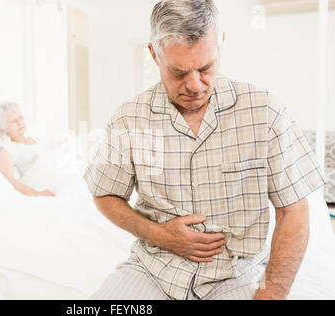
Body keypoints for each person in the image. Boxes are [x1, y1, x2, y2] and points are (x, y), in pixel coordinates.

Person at [83, 0, 325, 300]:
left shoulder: (265, 111)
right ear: (153, 54)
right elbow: (105, 193)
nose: (195, 85)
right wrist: (161, 236)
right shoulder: (127, 117)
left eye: (205, 68)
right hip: (153, 269)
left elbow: (293, 210)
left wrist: (272, 292)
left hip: (235, 273)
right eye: (178, 72)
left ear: (221, 45)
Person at [0, 102, 56, 197]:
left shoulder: (35, 139)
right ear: (3, 129)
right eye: (13, 121)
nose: (19, 123)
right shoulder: (8, 149)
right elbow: (7, 179)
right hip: (43, 182)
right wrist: (36, 193)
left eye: (20, 118)